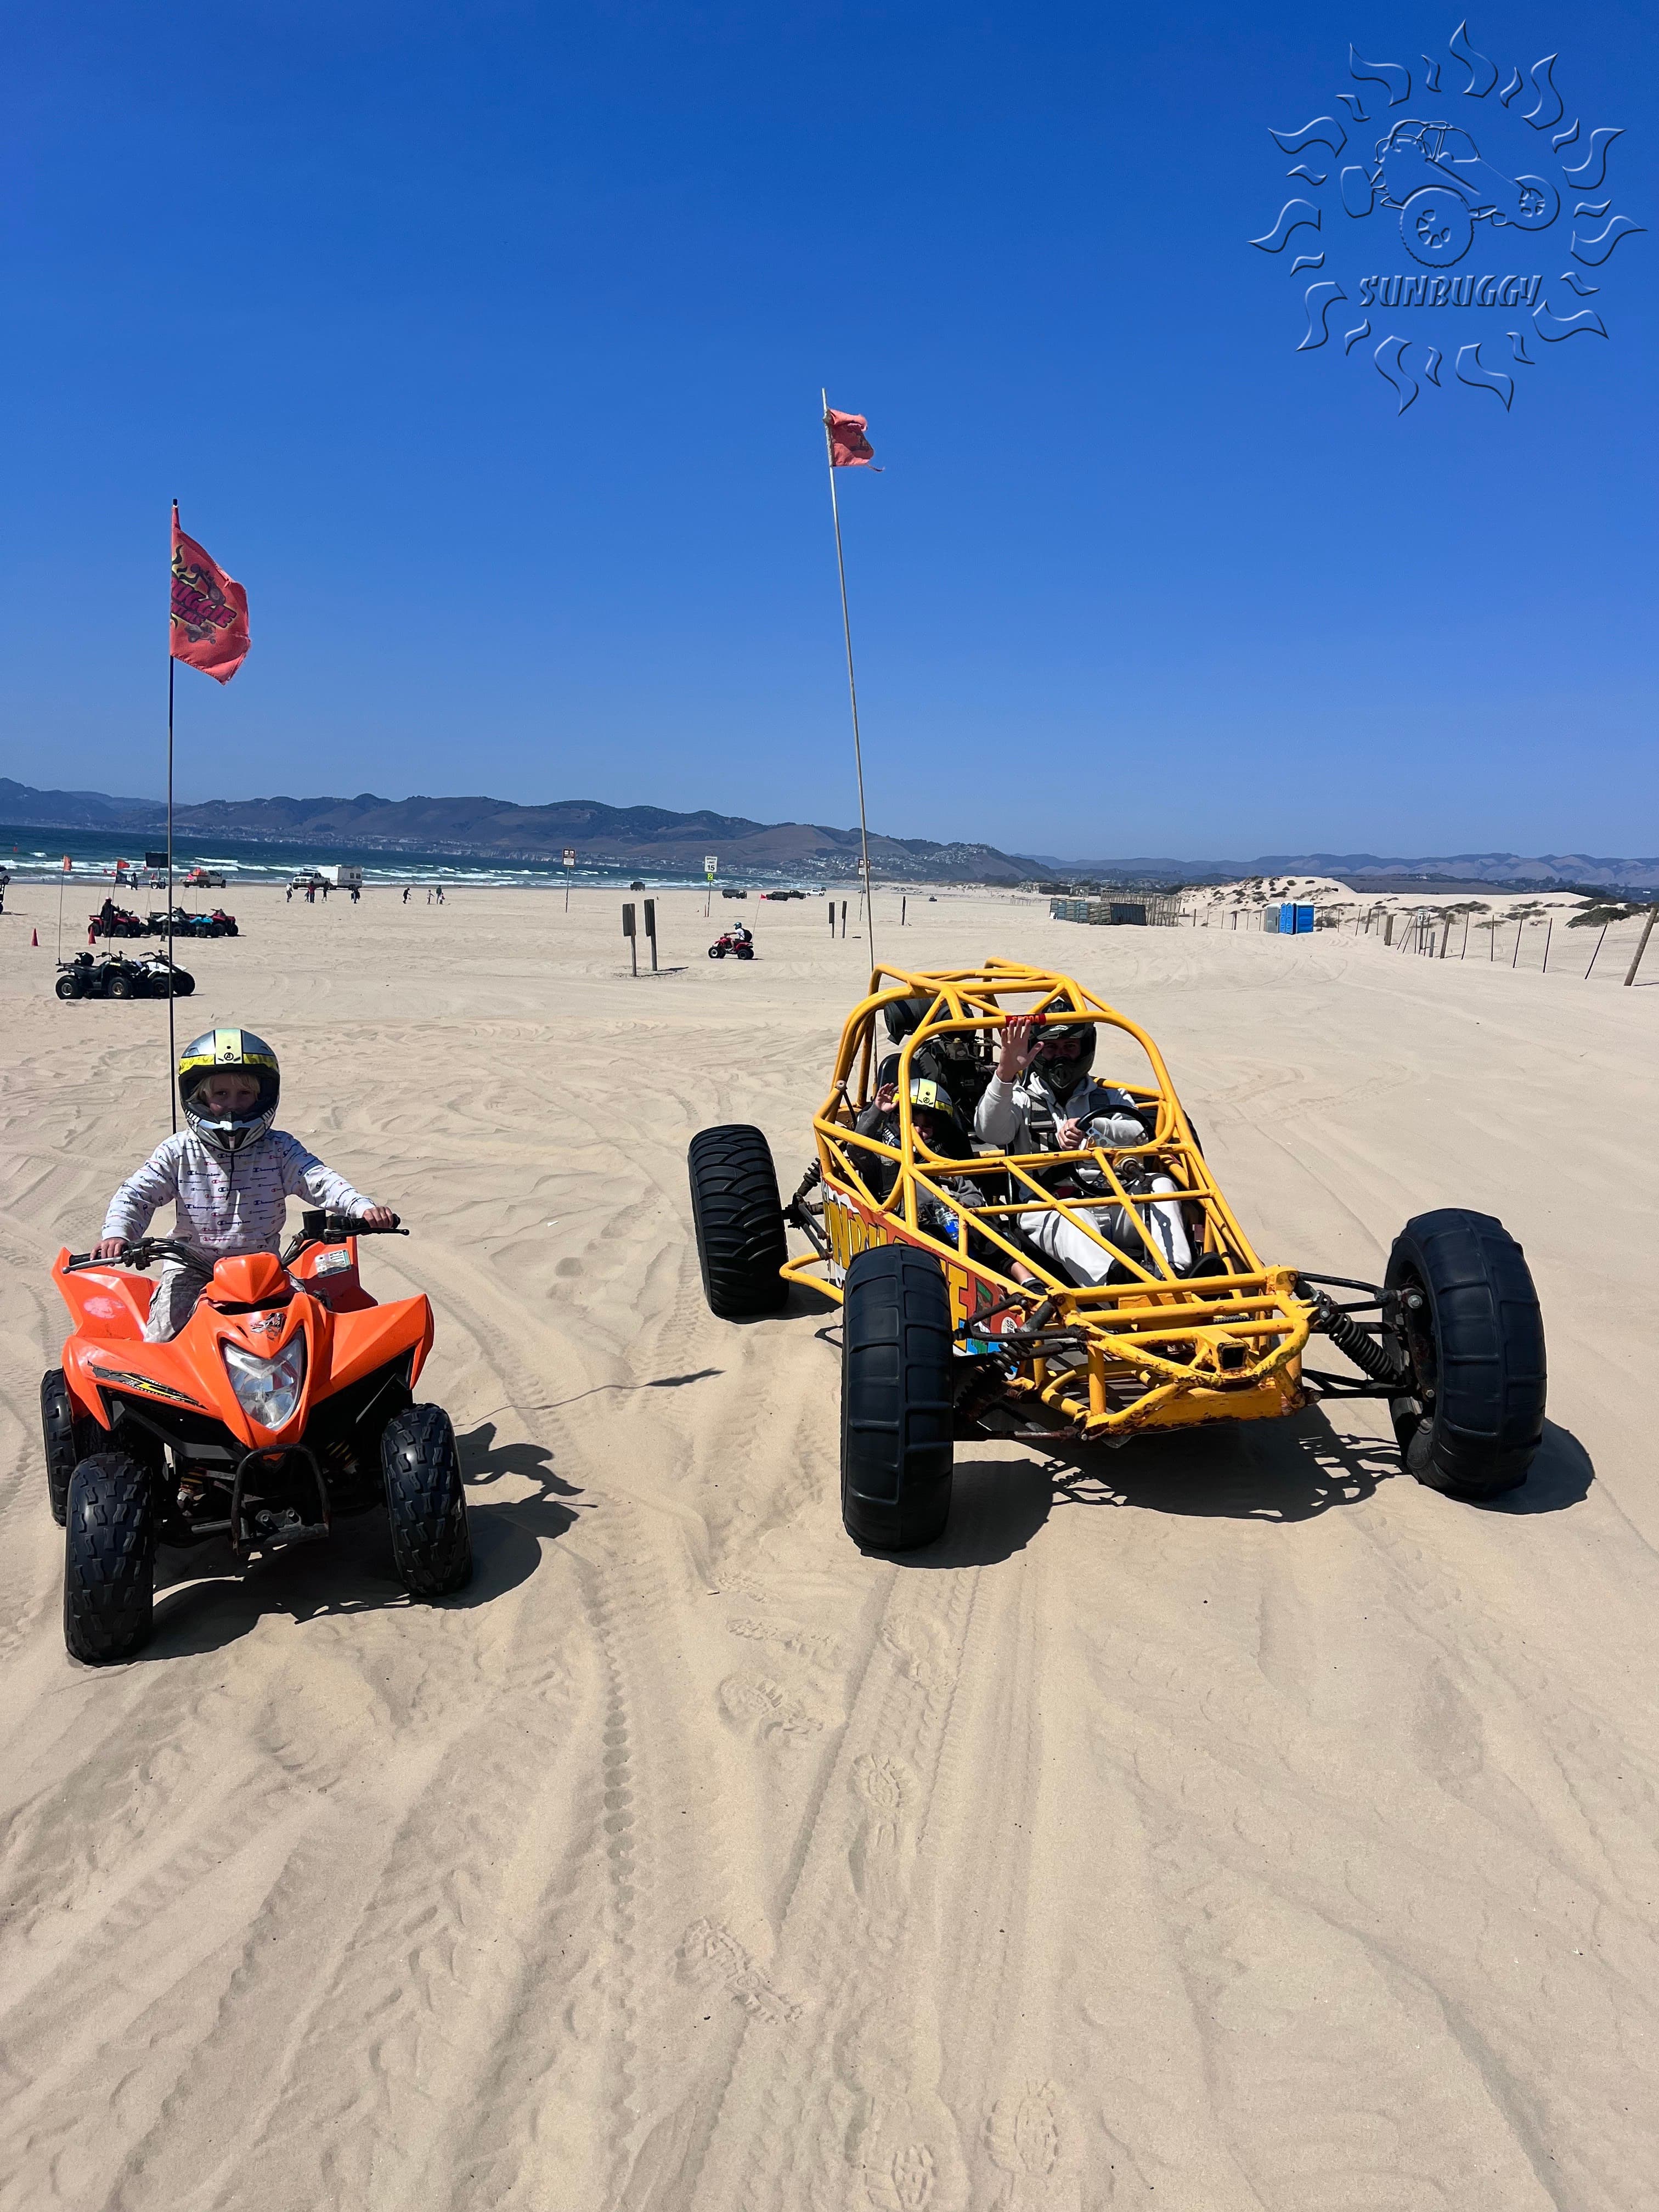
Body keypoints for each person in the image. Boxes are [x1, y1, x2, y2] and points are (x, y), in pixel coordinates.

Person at [92, 1027, 395, 1342]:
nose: (233, 1105)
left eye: (244, 1094)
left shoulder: (279, 1148)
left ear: (263, 1097)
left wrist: (363, 1207)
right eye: (221, 1095)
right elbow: (137, 1194)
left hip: (263, 1270)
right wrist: (118, 1234)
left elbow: (320, 1179)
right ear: (200, 1097)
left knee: (313, 1326)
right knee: (164, 1338)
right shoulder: (179, 1150)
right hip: (193, 1267)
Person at [975, 1014, 1191, 1285]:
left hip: (1114, 1202)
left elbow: (1139, 1134)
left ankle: (1177, 1271)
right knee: (1072, 1212)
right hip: (1050, 1206)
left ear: (1085, 1049)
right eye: (1051, 1048)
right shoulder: (1020, 1099)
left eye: (1069, 1047)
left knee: (1160, 1183)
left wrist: (1094, 1129)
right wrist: (1004, 1076)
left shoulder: (1110, 1096)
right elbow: (989, 1131)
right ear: (1037, 1050)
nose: (1060, 1057)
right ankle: (1115, 1288)